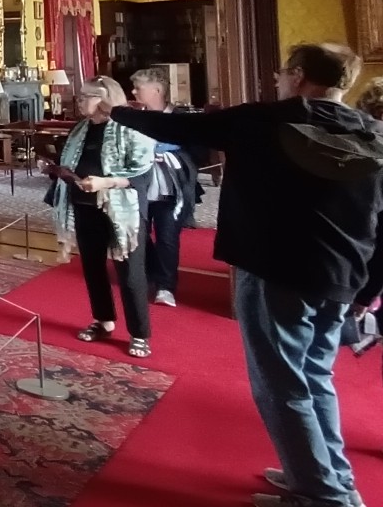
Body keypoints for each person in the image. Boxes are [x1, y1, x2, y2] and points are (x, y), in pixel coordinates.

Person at [111, 43, 383, 507]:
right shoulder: (372, 132)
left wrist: (118, 110)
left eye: (283, 72)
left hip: (275, 270)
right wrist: (369, 287)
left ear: (299, 76)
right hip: (341, 276)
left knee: (282, 386)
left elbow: (180, 127)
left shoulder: (264, 121)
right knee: (315, 377)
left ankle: (322, 495)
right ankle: (328, 478)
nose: (278, 79)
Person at [45, 76, 157, 358]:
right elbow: (71, 162)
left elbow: (142, 176)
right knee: (93, 267)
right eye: (80, 96)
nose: (80, 101)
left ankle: (139, 333)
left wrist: (105, 183)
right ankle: (104, 320)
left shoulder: (130, 128)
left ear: (106, 99)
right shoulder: (80, 128)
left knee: (130, 273)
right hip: (84, 204)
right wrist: (59, 170)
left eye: (87, 96)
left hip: (122, 210)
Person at [130, 67, 202, 307]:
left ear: (157, 90)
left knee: (168, 237)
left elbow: (198, 152)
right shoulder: (134, 118)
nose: (133, 92)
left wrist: (171, 152)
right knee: (138, 234)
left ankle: (165, 286)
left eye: (138, 88)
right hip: (140, 187)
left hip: (172, 190)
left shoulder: (180, 119)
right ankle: (152, 272)